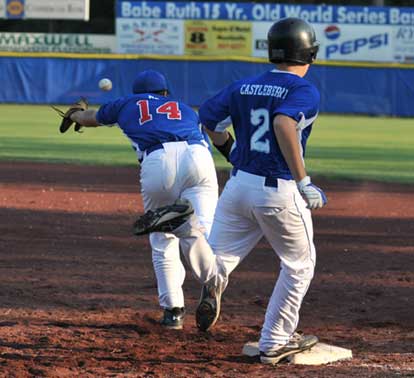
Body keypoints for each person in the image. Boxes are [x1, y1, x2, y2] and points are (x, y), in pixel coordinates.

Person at [133, 17, 327, 364]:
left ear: (271, 51)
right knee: (299, 265)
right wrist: (304, 181)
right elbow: (284, 123)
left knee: (219, 265)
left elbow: (207, 120)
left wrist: (231, 151)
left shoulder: (244, 86)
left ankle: (187, 228)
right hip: (277, 190)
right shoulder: (304, 90)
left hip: (238, 187)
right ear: (310, 53)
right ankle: (274, 342)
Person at [68, 69, 218, 330]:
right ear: (165, 92)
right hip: (199, 158)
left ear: (138, 93)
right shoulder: (183, 108)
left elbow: (90, 118)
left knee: (162, 239)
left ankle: (173, 312)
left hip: (158, 162)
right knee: (202, 232)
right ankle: (214, 280)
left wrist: (75, 114)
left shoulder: (127, 103)